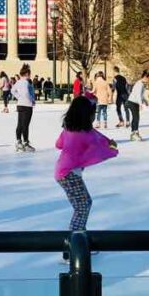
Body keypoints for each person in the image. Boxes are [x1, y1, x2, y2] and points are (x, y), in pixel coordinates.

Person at [55, 96, 119, 231]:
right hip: (68, 174)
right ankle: (76, 238)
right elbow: (100, 147)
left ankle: (79, 235)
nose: (93, 117)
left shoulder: (68, 130)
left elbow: (58, 144)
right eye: (92, 114)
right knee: (83, 206)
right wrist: (111, 146)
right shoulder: (85, 134)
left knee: (83, 204)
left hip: (62, 171)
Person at [13, 63, 36, 152]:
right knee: (25, 125)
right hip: (27, 105)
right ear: (26, 74)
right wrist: (32, 100)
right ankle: (26, 143)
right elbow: (26, 93)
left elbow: (12, 90)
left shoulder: (18, 81)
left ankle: (19, 141)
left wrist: (19, 97)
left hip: (20, 105)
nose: (30, 76)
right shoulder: (26, 82)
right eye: (29, 74)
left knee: (20, 124)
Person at [126, 70, 149, 141]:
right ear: (145, 77)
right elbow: (138, 95)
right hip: (132, 102)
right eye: (148, 79)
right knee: (136, 117)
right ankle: (134, 133)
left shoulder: (142, 84)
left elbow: (141, 95)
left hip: (134, 102)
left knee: (136, 117)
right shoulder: (140, 84)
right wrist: (140, 104)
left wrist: (145, 101)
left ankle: (134, 133)